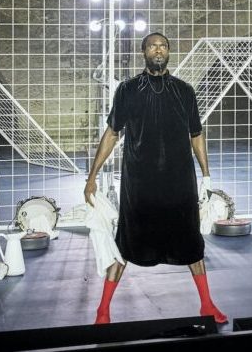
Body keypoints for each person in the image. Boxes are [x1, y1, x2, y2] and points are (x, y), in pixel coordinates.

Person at [84, 32, 227, 324]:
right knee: (126, 243)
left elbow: (196, 134)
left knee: (191, 243)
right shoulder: (128, 90)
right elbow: (112, 133)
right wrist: (92, 176)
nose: (158, 50)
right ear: (144, 52)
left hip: (179, 184)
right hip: (140, 185)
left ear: (169, 51)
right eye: (152, 46)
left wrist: (206, 176)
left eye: (163, 46)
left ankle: (207, 305)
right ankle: (103, 311)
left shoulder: (184, 91)